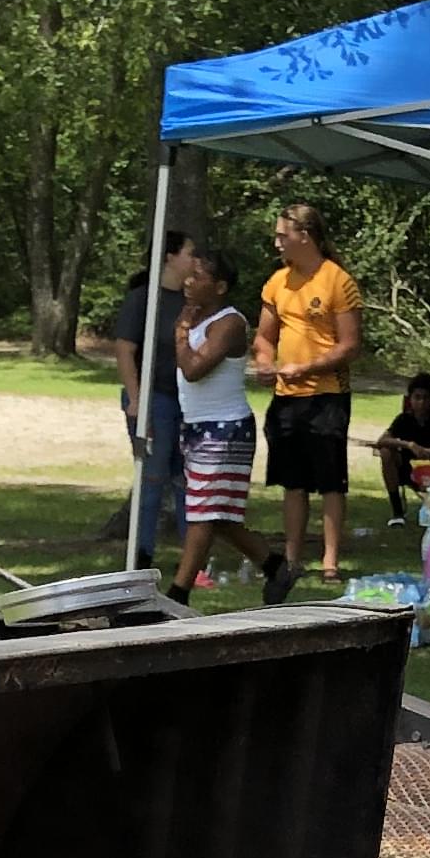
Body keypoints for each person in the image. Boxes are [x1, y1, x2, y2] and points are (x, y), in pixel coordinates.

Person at [253, 199, 362, 584]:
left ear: (305, 235)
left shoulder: (337, 280)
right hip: (286, 399)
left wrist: (307, 367)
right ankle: (293, 559)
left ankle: (330, 561)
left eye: (283, 236)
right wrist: (266, 365)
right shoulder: (277, 281)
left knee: (331, 480)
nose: (277, 243)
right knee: (293, 481)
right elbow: (264, 337)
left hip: (327, 395)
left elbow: (349, 345)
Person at [167, 243, 270, 598]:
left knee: (203, 513)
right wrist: (184, 328)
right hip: (198, 427)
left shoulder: (229, 323)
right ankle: (275, 566)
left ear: (220, 287)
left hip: (225, 428)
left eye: (199, 276)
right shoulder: (193, 316)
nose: (189, 282)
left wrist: (181, 334)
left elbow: (195, 369)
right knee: (219, 516)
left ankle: (178, 592)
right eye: (189, 274)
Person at [111, 232, 191, 561]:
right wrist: (136, 400)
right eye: (189, 253)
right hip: (153, 401)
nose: (194, 260)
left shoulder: (190, 302)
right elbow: (125, 350)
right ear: (169, 257)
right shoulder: (143, 298)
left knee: (186, 480)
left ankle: (193, 558)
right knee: (152, 478)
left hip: (185, 403)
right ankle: (141, 554)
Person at [374, 370, 430, 522]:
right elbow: (382, 440)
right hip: (409, 469)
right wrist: (410, 445)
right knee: (386, 452)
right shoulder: (404, 419)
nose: (421, 402)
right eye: (417, 397)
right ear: (410, 399)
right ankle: (397, 512)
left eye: (426, 398)